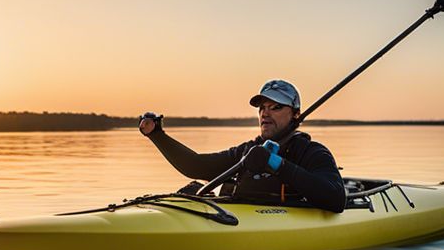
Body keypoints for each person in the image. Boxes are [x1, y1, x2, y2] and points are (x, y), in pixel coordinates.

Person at [139, 79, 346, 213]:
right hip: (240, 219)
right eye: (262, 108)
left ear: (296, 114)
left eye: (276, 107)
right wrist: (157, 135)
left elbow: (336, 200)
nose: (265, 113)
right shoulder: (249, 151)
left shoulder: (312, 152)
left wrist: (276, 164)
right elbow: (196, 166)